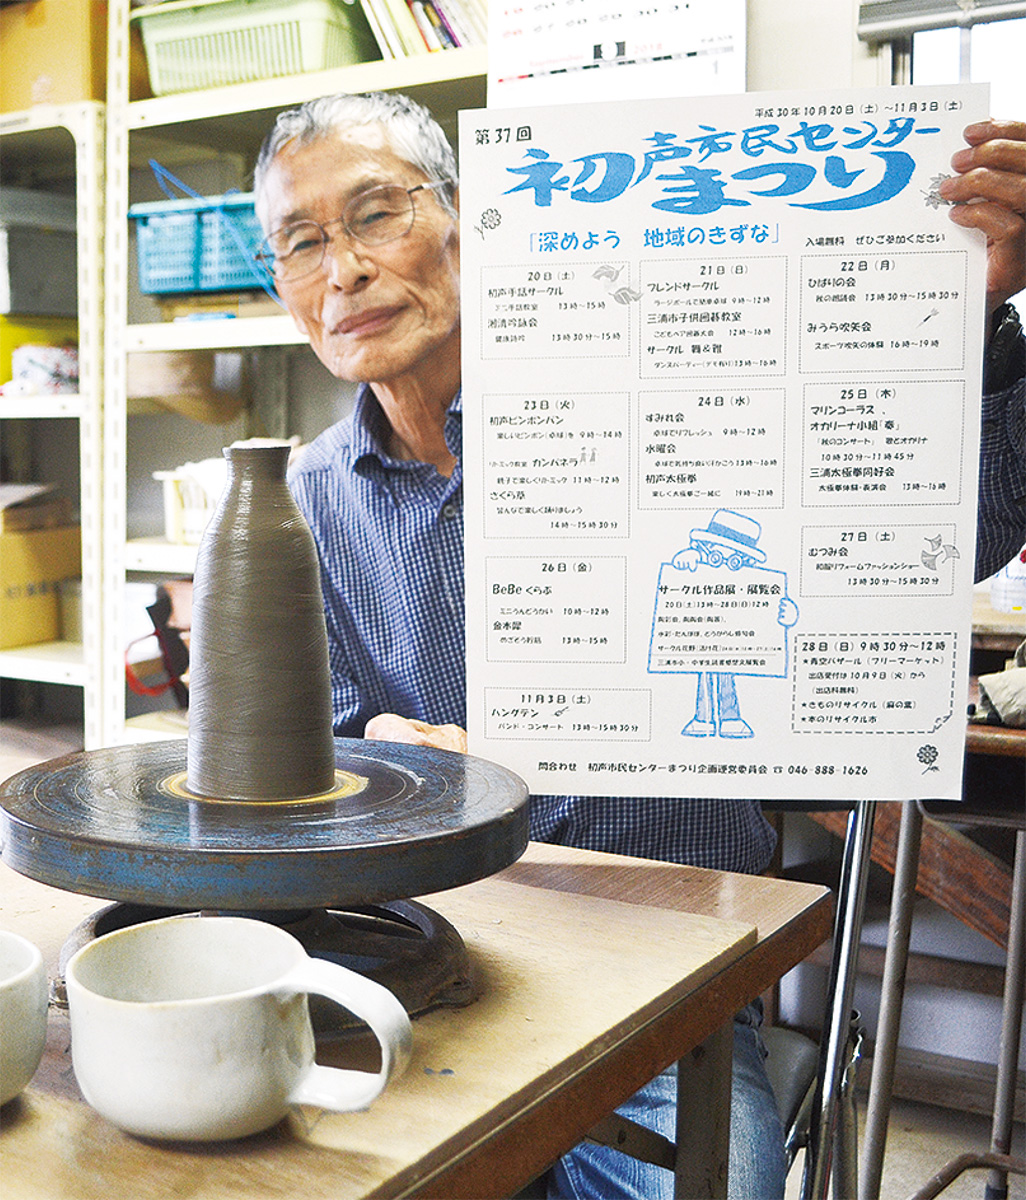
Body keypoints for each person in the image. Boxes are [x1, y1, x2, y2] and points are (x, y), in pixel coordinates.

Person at [252, 91, 1025, 1199]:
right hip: (426, 965)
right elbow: (303, 765)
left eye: (376, 214)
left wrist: (970, 316)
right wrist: (405, 771)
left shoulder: (661, 403)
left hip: (669, 986)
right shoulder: (304, 500)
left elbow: (968, 530)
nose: (344, 271)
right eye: (301, 242)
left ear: (471, 218)